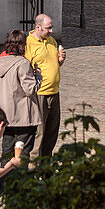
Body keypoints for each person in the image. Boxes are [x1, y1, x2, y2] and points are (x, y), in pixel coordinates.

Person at [0, 29, 42, 163]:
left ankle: (5, 181)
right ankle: (19, 182)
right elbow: (30, 89)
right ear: (23, 45)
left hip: (3, 116)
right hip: (23, 117)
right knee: (22, 154)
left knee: (7, 152)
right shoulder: (22, 64)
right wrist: (38, 77)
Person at [25, 13, 66, 157]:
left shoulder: (51, 41)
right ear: (38, 27)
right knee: (39, 134)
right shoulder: (28, 44)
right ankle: (34, 169)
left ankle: (46, 165)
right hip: (39, 94)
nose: (51, 31)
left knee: (52, 132)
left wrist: (60, 60)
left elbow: (54, 63)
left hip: (54, 93)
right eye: (48, 28)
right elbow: (25, 70)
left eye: (51, 27)